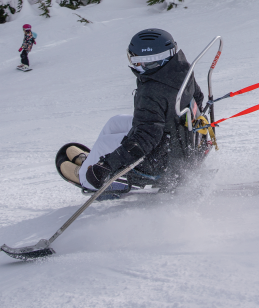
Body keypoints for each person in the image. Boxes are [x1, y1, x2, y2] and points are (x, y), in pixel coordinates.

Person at [57, 29, 207, 191]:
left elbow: (145, 139)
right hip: (180, 140)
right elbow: (198, 98)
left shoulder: (151, 91)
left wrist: (108, 166)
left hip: (161, 158)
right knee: (115, 122)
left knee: (104, 143)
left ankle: (88, 178)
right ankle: (92, 162)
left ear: (146, 60)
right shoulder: (181, 68)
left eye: (134, 60)